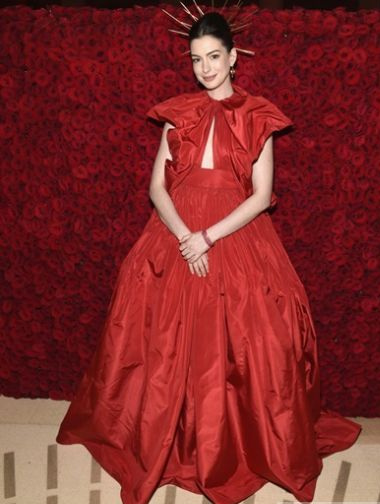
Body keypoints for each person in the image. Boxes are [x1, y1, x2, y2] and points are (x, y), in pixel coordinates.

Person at [56, 8, 362, 504]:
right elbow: (157, 187)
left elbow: (260, 197)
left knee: (256, 333)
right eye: (197, 59)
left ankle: (231, 444)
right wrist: (185, 237)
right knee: (157, 338)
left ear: (233, 57)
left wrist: (208, 238)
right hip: (174, 231)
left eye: (214, 57)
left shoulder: (258, 115)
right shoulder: (178, 112)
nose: (206, 68)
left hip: (236, 233)